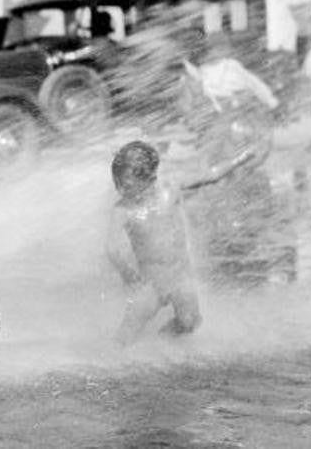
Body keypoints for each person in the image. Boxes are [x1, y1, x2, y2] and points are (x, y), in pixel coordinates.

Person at [105, 140, 257, 347]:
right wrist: (127, 274)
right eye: (118, 183)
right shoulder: (122, 210)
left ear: (149, 177)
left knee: (190, 321)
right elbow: (112, 248)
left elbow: (211, 175)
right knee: (128, 332)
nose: (121, 190)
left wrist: (242, 158)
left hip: (180, 277)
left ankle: (159, 343)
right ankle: (111, 357)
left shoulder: (170, 187)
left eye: (127, 185)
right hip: (150, 284)